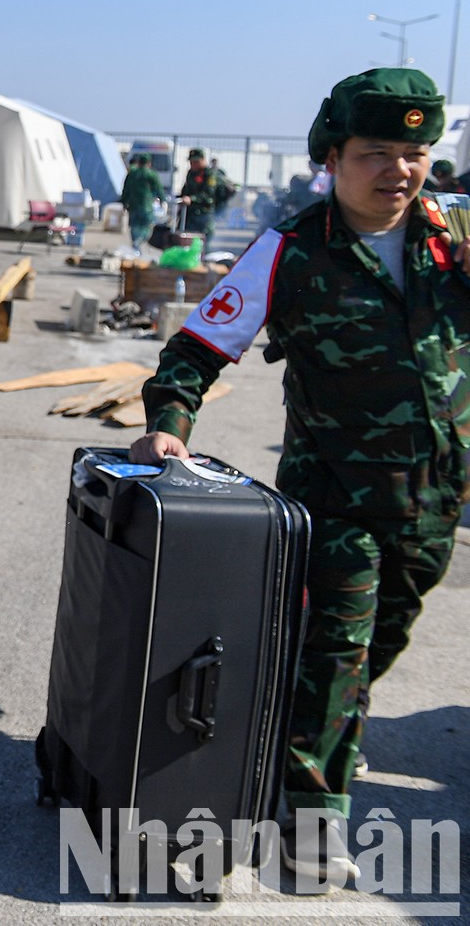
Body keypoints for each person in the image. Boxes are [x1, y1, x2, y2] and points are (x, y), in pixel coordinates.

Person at [131, 68, 467, 889]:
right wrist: (169, 426)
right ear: (333, 157)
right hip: (337, 494)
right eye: (377, 152)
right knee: (339, 650)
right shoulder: (289, 250)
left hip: (433, 501)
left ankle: (284, 739)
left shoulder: (454, 236)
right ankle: (312, 823)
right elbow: (197, 349)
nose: (399, 170)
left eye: (415, 152)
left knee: (372, 650)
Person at [177, 147, 231, 242]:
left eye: (196, 162)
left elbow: (208, 195)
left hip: (204, 214)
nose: (193, 164)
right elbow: (186, 190)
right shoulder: (191, 173)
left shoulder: (210, 174)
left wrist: (191, 199)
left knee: (203, 243)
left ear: (203, 160)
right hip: (190, 215)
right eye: (191, 162)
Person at [119, 151, 164, 241]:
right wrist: (163, 200)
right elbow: (158, 189)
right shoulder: (152, 174)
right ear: (149, 163)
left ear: (139, 162)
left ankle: (136, 245)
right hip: (146, 207)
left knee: (135, 227)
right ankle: (142, 242)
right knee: (146, 227)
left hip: (133, 206)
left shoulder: (131, 174)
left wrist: (124, 202)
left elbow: (126, 190)